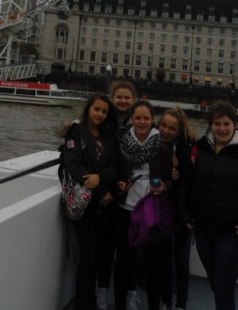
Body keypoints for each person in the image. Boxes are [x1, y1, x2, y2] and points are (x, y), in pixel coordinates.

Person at [177, 101, 238, 310]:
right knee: (215, 282)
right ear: (210, 125)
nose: (222, 128)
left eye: (226, 124)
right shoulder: (198, 150)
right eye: (217, 124)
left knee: (223, 288)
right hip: (203, 229)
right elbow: (185, 185)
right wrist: (185, 215)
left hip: (233, 232)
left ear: (234, 124)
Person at [60, 92, 119, 310]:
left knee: (97, 253)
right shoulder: (75, 132)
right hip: (83, 203)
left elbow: (114, 167)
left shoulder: (108, 135)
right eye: (97, 109)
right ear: (88, 109)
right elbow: (74, 166)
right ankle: (81, 304)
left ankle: (91, 299)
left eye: (104, 111)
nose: (100, 114)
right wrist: (102, 190)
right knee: (88, 254)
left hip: (102, 205)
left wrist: (101, 179)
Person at [114, 100, 171, 310]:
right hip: (126, 209)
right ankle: (120, 305)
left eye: (146, 118)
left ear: (152, 119)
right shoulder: (122, 142)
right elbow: (114, 170)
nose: (141, 122)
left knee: (152, 265)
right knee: (123, 262)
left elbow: (170, 177)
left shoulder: (162, 146)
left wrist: (164, 186)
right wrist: (119, 183)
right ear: (132, 119)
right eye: (137, 117)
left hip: (150, 210)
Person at [96, 81, 137, 310]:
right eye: (119, 97)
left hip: (130, 196)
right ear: (113, 98)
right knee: (105, 246)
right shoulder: (104, 121)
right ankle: (102, 291)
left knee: (129, 249)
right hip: (107, 193)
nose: (122, 101)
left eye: (126, 97)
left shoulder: (140, 122)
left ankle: (130, 293)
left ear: (133, 99)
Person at [157, 108, 197, 310]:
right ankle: (165, 301)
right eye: (163, 125)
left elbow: (190, 182)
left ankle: (181, 303)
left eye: (172, 128)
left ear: (179, 131)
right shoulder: (154, 144)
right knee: (164, 259)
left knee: (181, 259)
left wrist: (177, 172)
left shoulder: (189, 150)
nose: (166, 130)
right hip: (162, 208)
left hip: (183, 211)